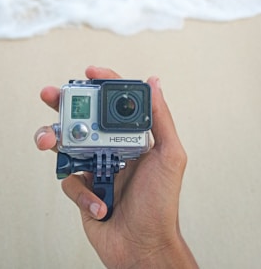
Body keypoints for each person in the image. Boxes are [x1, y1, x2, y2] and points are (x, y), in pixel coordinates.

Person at [34, 66, 198, 268]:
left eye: (128, 106)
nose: (124, 108)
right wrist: (150, 251)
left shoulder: (144, 149)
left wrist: (153, 248)